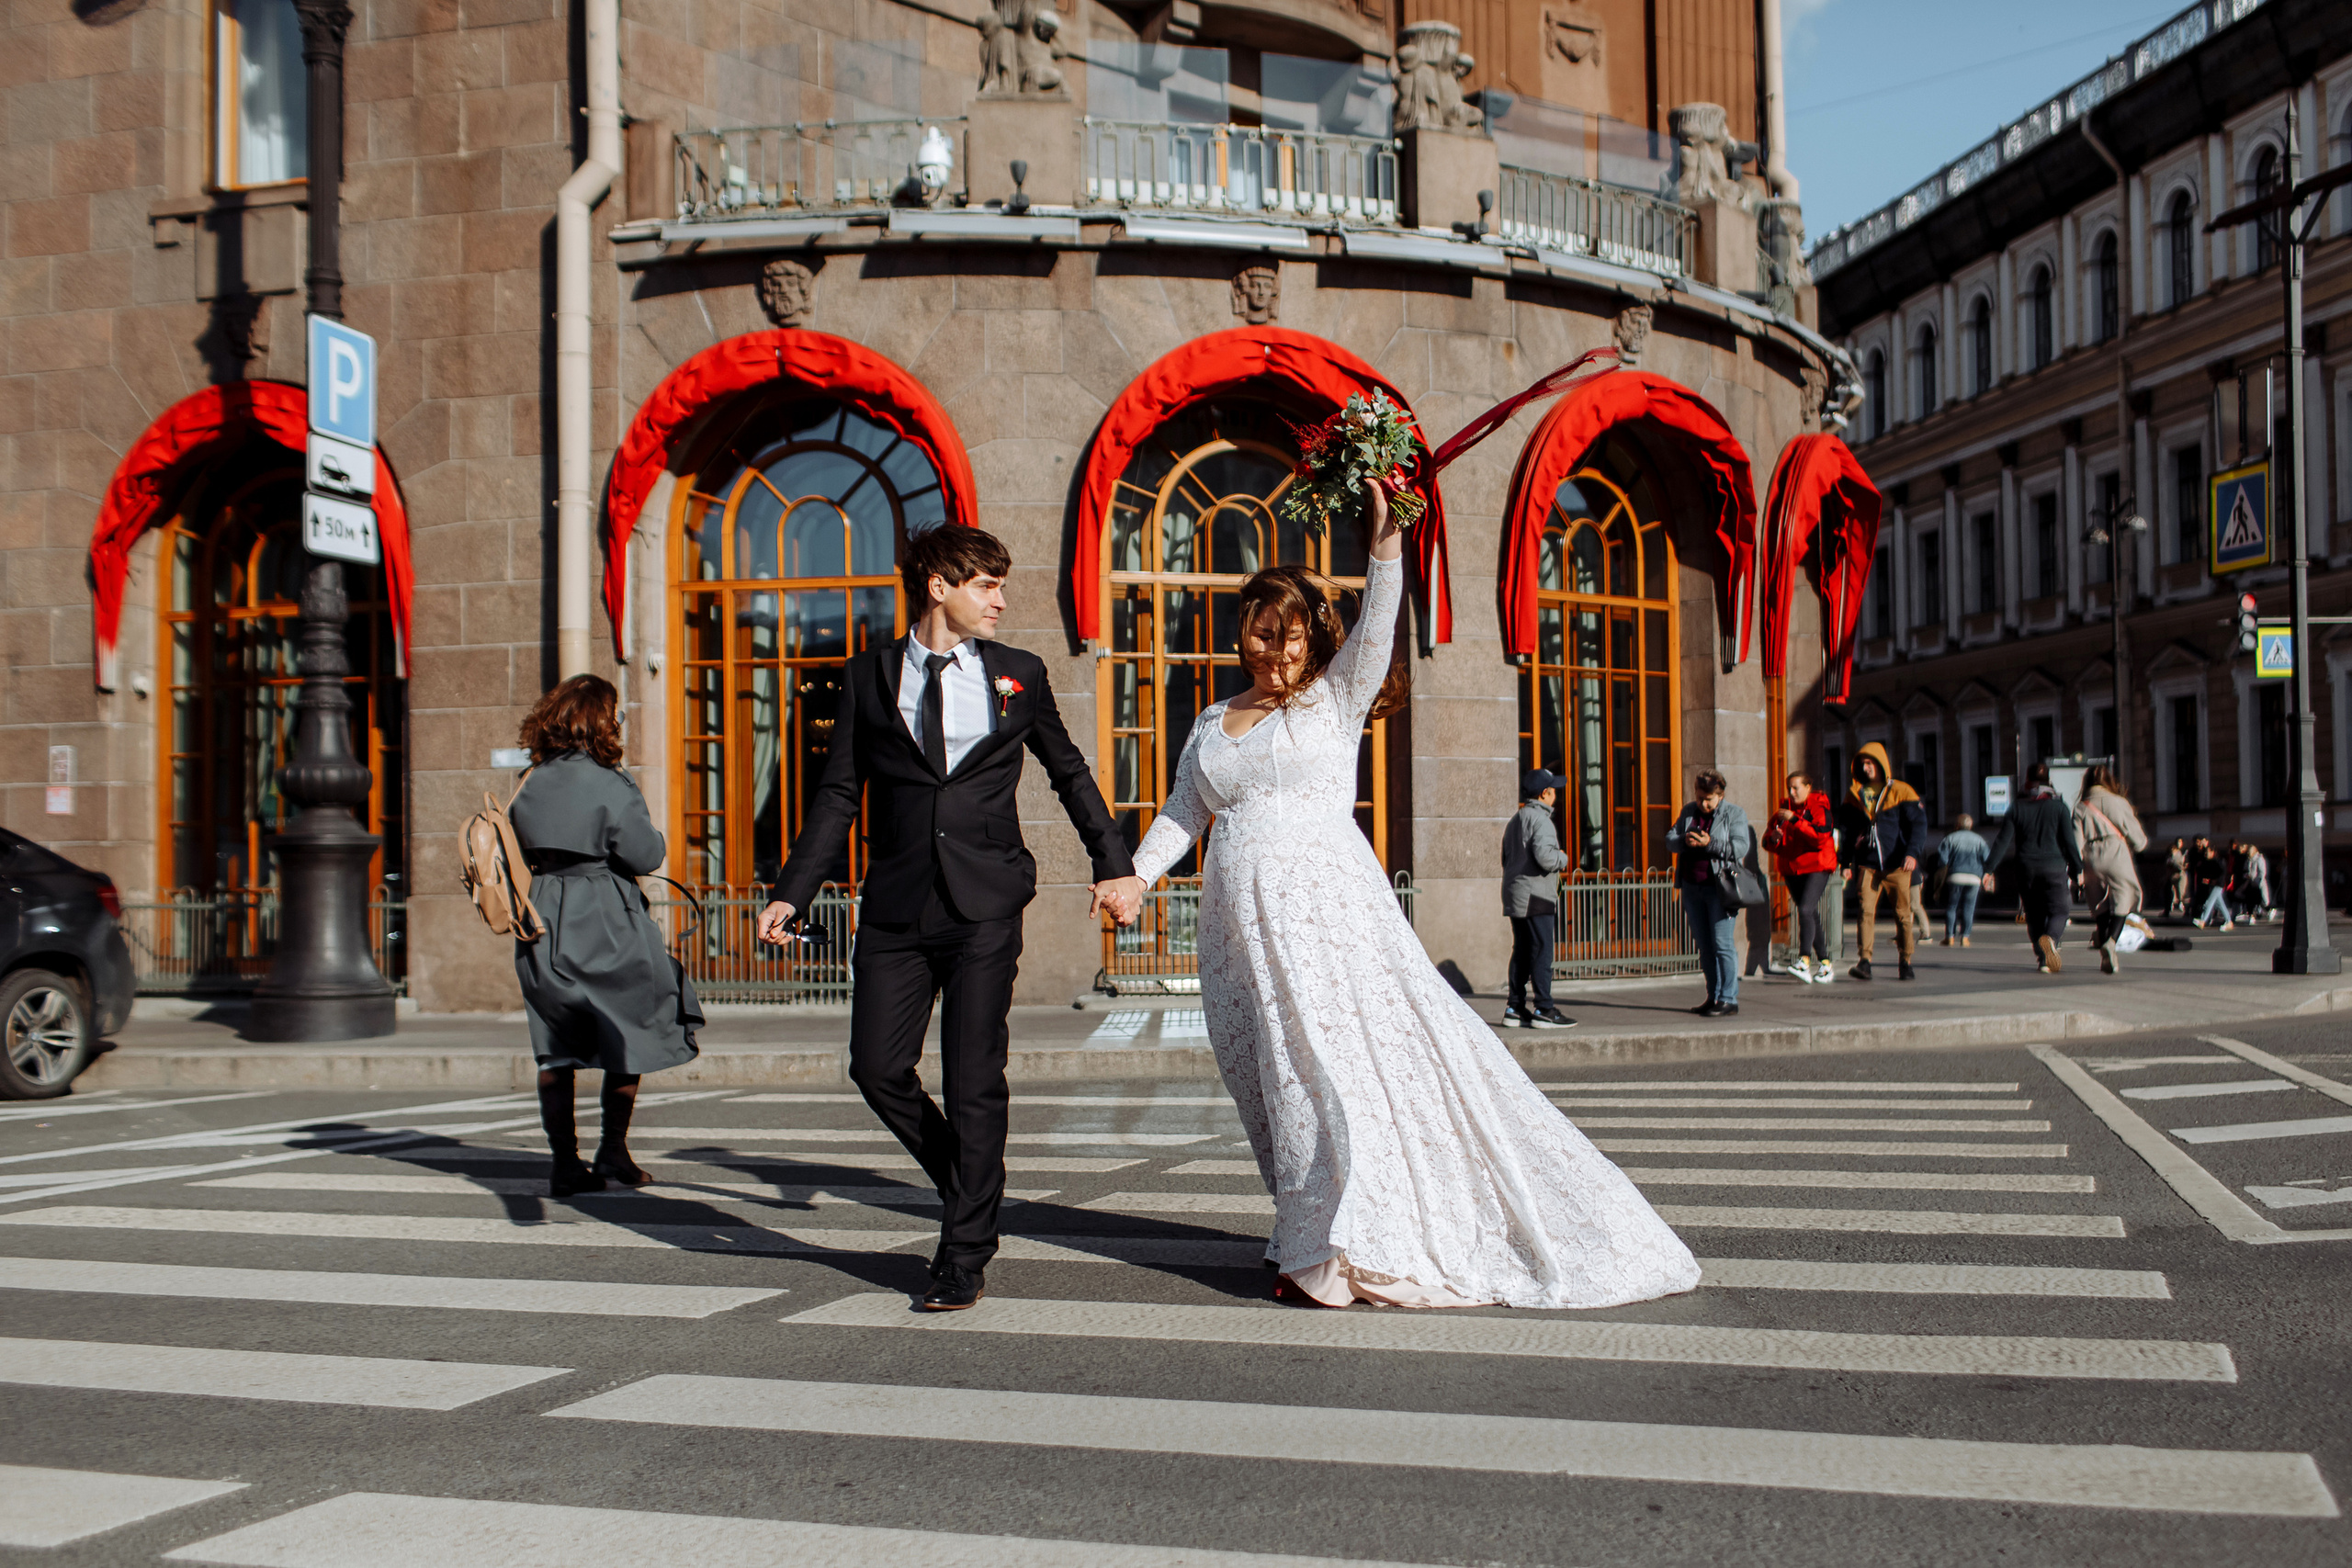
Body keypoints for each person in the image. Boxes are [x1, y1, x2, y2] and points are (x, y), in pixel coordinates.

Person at [1127, 479, 1698, 1310]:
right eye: (1261, 632)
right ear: (1241, 630)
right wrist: (1137, 876)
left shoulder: (1335, 698)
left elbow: (1380, 617)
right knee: (1271, 1079)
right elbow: (1185, 810)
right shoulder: (1213, 720)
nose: (1275, 651)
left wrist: (1386, 536)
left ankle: (1336, 1250)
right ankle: (1304, 1228)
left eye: (1290, 637)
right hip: (1237, 931)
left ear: (1312, 641)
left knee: (1332, 1071)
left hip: (1332, 920)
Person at [756, 525, 1143, 1313]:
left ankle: (962, 1253)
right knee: (876, 1066)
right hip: (896, 905)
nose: (1000, 600)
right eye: (985, 585)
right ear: (939, 586)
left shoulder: (1018, 674)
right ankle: (969, 1181)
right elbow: (838, 795)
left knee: (973, 1078)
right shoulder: (867, 676)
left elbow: (1068, 772)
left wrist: (1114, 864)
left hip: (986, 904)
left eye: (1002, 585)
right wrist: (793, 890)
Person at [506, 675, 702, 1199]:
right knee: (631, 1028)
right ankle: (613, 1147)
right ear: (600, 720)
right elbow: (646, 856)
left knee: (555, 1044)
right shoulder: (610, 782)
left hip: (543, 913)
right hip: (605, 914)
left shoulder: (529, 779)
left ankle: (564, 1163)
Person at [1836, 743, 1926, 981]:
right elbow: (1846, 830)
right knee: (1865, 912)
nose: (1866, 768)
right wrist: (1845, 863)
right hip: (1867, 864)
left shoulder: (1902, 791)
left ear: (1880, 764)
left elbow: (1918, 825)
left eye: (1870, 763)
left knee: (1903, 914)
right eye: (1862, 764)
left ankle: (1905, 961)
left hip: (1897, 864)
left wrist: (1912, 853)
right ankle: (1864, 961)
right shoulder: (1854, 794)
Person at [1667, 769, 1753, 1017]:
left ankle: (1729, 999)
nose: (1703, 804)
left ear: (1721, 795)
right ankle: (1712, 996)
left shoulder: (1733, 813)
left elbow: (1740, 847)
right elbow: (1670, 839)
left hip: (1720, 889)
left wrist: (1710, 844)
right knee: (1705, 946)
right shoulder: (1688, 811)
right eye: (1699, 797)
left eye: (1709, 799)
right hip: (1692, 887)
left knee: (1722, 944)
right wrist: (1685, 840)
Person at [1984, 761, 2082, 972]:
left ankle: (2042, 958)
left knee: (2034, 914)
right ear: (2050, 782)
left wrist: (1988, 869)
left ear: (2027, 782)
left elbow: (2002, 841)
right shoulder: (2059, 807)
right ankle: (2051, 940)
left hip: (2025, 868)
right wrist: (2077, 870)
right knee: (2060, 910)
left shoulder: (2016, 808)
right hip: (2054, 867)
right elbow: (2069, 843)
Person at [1500, 770, 1575, 1030]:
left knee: (1522, 950)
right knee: (1543, 951)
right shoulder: (1542, 821)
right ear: (1545, 793)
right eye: (1554, 789)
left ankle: (1515, 1007)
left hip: (1516, 893)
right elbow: (1545, 858)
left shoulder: (1516, 819)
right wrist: (1563, 858)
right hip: (1537, 895)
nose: (1556, 794)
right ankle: (1545, 1008)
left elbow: (1506, 858)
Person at [1761, 770, 1836, 982]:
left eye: (1796, 788)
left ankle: (1804, 960)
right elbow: (1767, 841)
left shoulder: (1819, 807)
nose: (1792, 792)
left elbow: (1820, 837)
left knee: (1805, 909)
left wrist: (1795, 820)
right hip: (1792, 869)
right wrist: (1774, 839)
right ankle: (1825, 964)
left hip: (1817, 866)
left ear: (1808, 787)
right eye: (1789, 788)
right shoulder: (1783, 811)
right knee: (1809, 914)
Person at [2072, 764, 2147, 975]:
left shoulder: (2081, 807)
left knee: (2098, 902)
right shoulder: (2119, 802)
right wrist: (2140, 844)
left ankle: (2104, 939)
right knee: (2125, 894)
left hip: (2091, 855)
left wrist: (2076, 872)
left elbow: (2075, 843)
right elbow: (2137, 838)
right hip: (2116, 853)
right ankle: (2111, 942)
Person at [1936, 812, 1991, 946]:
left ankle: (1949, 936)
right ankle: (1965, 937)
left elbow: (1942, 859)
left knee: (1952, 907)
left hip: (1955, 876)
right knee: (1969, 908)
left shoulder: (1950, 838)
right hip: (1974, 878)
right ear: (1971, 825)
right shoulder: (1979, 840)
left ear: (1957, 825)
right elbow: (1987, 859)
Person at [2165, 838, 2189, 917]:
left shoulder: (2183, 852)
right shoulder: (2171, 854)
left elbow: (2185, 863)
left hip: (2181, 874)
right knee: (2172, 890)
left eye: (2181, 842)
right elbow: (2169, 863)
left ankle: (2181, 903)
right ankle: (2172, 904)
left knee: (2181, 890)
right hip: (2173, 875)